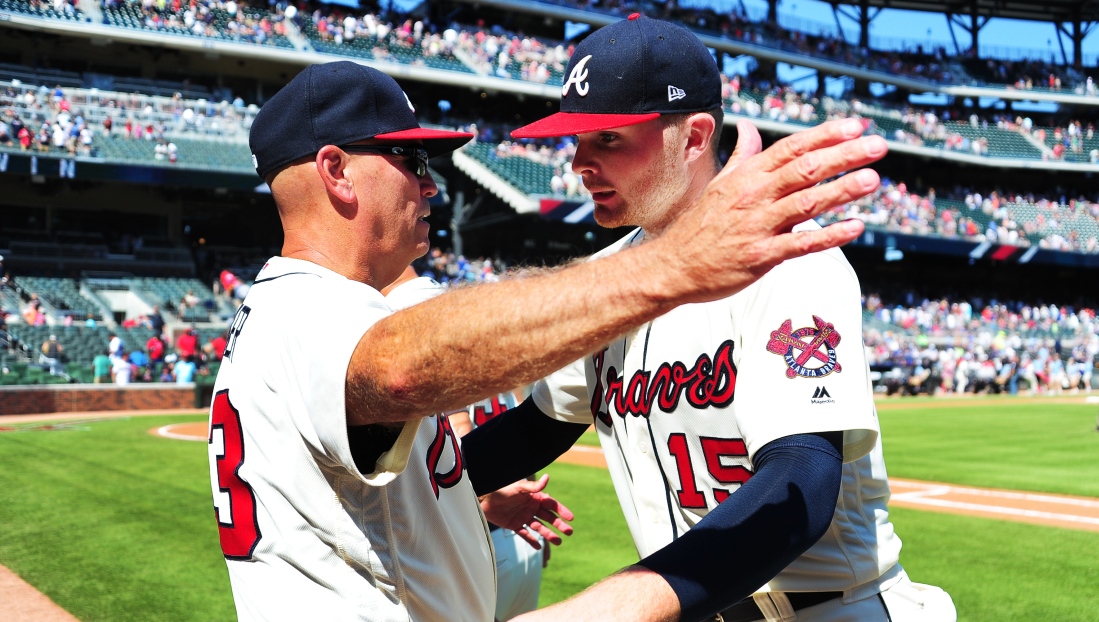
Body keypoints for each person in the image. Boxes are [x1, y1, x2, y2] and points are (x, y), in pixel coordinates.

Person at [208, 59, 880, 621]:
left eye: (607, 139)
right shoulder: (306, 312)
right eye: (408, 157)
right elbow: (398, 370)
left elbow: (803, 479)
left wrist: (450, 498)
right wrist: (672, 265)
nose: (431, 185)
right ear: (335, 170)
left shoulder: (319, 311)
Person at [498, 15, 953, 621]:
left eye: (607, 138)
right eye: (575, 139)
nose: (579, 161)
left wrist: (609, 609)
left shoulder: (788, 256)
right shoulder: (610, 274)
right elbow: (536, 427)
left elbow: (802, 486)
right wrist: (409, 476)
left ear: (693, 137)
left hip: (826, 609)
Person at [382, 266, 547, 621]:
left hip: (479, 527)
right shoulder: (495, 349)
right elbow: (520, 435)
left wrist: (487, 501)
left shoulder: (421, 325)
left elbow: (460, 433)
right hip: (515, 528)